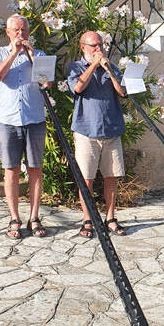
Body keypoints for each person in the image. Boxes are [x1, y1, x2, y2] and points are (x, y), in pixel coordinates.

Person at [0, 14, 51, 239]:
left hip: (34, 119)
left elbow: (46, 82)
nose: (20, 34)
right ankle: (14, 218)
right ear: (7, 32)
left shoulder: (39, 54)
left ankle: (34, 217)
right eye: (15, 30)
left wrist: (32, 56)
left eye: (24, 30)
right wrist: (14, 53)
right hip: (7, 121)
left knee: (35, 169)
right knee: (11, 170)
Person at [67, 31, 127, 238]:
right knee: (86, 179)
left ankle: (110, 217)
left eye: (101, 45)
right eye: (94, 46)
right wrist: (93, 65)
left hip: (111, 130)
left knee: (111, 177)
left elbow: (122, 92)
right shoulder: (75, 67)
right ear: (83, 47)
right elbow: (77, 87)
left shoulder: (111, 66)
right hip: (86, 131)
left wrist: (108, 70)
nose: (99, 49)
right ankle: (87, 219)